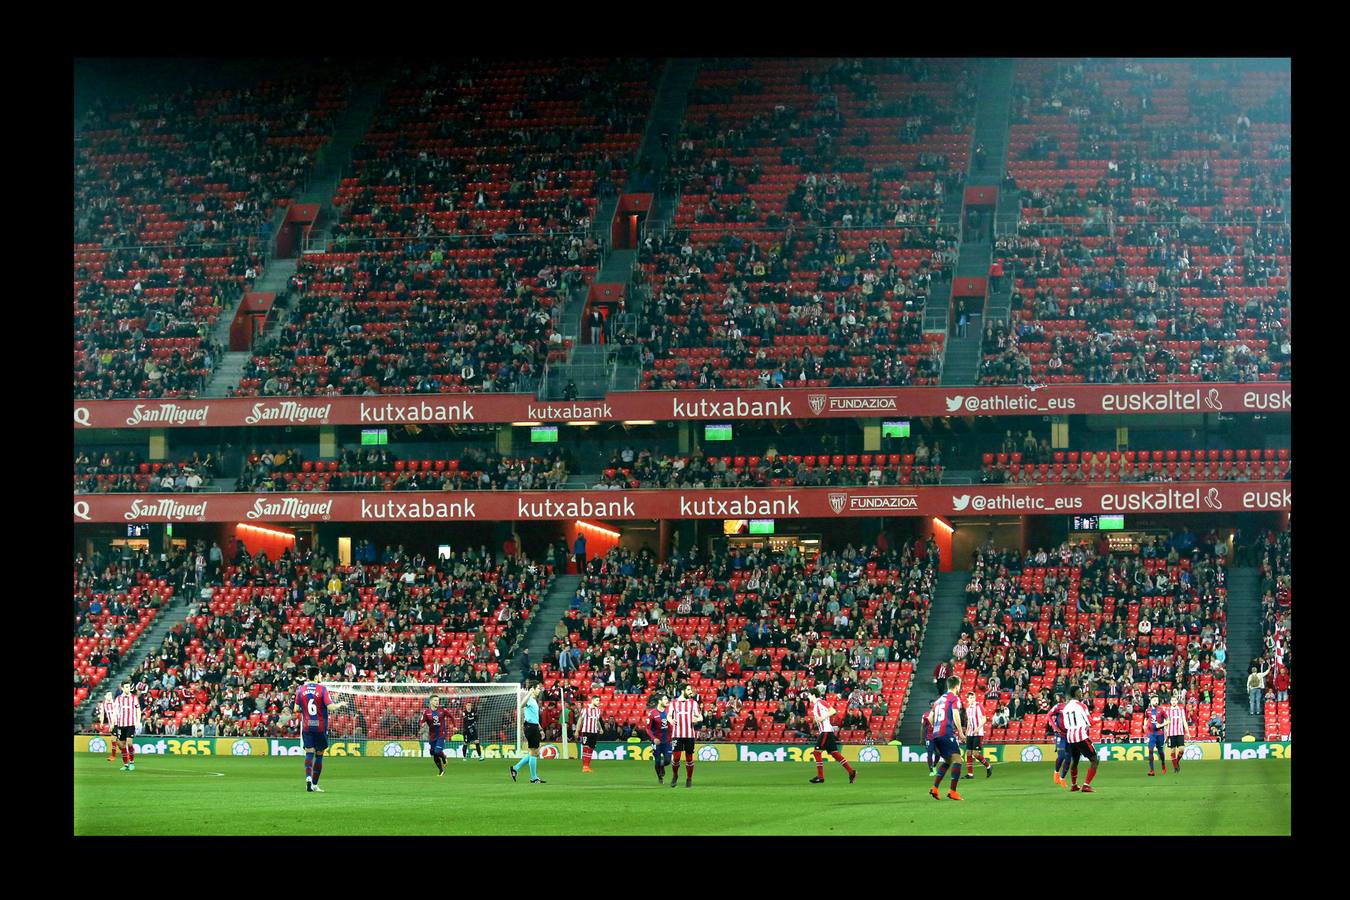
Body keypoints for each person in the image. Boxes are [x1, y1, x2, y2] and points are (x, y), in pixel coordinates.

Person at [295, 666, 345, 793]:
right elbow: (331, 707)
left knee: (309, 753)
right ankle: (314, 784)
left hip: (307, 726)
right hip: (320, 727)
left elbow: (296, 709)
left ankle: (308, 778)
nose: (321, 676)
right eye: (320, 674)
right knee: (319, 755)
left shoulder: (300, 690)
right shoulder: (322, 689)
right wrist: (340, 704)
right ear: (316, 676)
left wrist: (306, 711)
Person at [804, 689, 856, 784]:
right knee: (834, 753)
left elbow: (833, 710)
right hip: (828, 731)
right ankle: (851, 772)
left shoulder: (820, 702)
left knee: (816, 752)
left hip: (826, 731)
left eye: (809, 695)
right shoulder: (817, 704)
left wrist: (822, 718)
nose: (808, 697)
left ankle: (820, 777)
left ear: (813, 695)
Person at [928, 676, 966, 801]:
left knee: (948, 761)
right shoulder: (954, 698)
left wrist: (936, 727)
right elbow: (955, 713)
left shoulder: (938, 700)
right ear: (957, 686)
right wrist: (961, 732)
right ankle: (952, 791)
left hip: (936, 734)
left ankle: (935, 788)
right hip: (946, 733)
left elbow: (930, 718)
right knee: (958, 760)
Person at [1063, 686, 1099, 793]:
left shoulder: (1066, 707)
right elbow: (1090, 722)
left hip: (1070, 737)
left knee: (1075, 760)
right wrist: (1099, 719)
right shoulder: (1081, 705)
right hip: (1080, 736)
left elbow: (1066, 724)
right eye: (1079, 691)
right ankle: (1086, 785)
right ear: (1075, 693)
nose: (1081, 693)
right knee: (1094, 760)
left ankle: (1074, 785)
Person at [667, 684, 703, 789]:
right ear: (682, 691)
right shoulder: (673, 703)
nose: (690, 691)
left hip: (689, 735)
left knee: (689, 758)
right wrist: (670, 720)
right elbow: (669, 715)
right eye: (688, 690)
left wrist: (697, 719)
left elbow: (700, 717)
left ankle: (689, 778)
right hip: (677, 734)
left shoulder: (693, 703)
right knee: (676, 758)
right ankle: (675, 775)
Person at [510, 684, 545, 784]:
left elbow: (534, 717)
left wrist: (540, 729)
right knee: (534, 752)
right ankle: (534, 778)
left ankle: (515, 768)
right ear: (533, 688)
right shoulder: (529, 698)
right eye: (538, 688)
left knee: (535, 752)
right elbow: (521, 705)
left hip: (534, 726)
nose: (539, 690)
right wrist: (529, 693)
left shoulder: (533, 700)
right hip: (530, 727)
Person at [110, 681, 141, 771]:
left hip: (131, 724)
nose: (128, 688)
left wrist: (138, 721)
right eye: (126, 687)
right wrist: (112, 723)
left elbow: (138, 710)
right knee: (122, 745)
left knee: (129, 742)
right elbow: (115, 712)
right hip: (121, 724)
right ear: (122, 688)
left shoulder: (134, 698)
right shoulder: (118, 698)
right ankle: (126, 764)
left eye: (129, 687)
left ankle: (132, 762)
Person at [962, 692, 993, 779]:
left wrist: (978, 728)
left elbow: (984, 719)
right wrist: (966, 732)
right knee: (968, 752)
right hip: (970, 733)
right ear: (967, 699)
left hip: (978, 733)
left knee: (975, 754)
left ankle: (988, 766)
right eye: (970, 698)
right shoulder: (968, 709)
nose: (972, 699)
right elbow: (969, 721)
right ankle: (970, 774)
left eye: (973, 697)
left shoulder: (979, 706)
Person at [1046, 691, 1072, 788]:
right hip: (1060, 735)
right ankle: (1056, 772)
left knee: (1068, 759)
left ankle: (1062, 778)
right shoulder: (1058, 706)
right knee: (1061, 756)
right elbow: (1049, 715)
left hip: (1069, 735)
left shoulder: (1073, 708)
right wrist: (1054, 727)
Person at [419, 695, 449, 776]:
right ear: (431, 702)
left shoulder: (442, 710)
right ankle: (441, 770)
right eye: (435, 700)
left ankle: (443, 757)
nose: (437, 702)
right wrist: (422, 724)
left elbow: (451, 716)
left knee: (437, 751)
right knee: (433, 753)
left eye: (438, 700)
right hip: (432, 735)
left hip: (441, 734)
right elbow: (421, 721)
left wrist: (454, 725)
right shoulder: (426, 712)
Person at [647, 694, 674, 784]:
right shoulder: (652, 713)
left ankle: (662, 766)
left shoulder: (669, 712)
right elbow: (648, 729)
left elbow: (672, 725)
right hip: (657, 742)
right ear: (659, 701)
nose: (667, 701)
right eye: (665, 699)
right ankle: (660, 777)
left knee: (667, 761)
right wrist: (653, 738)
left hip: (667, 741)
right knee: (657, 761)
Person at [577, 694, 602, 773]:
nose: (598, 702)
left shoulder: (598, 710)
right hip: (586, 731)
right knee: (585, 748)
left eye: (599, 700)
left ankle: (587, 766)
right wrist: (577, 730)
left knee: (591, 749)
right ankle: (584, 766)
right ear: (592, 700)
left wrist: (600, 728)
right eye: (597, 700)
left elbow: (597, 720)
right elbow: (580, 719)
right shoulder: (585, 709)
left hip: (594, 732)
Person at [1144, 693, 1168, 776]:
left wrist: (1161, 725)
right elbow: (1146, 718)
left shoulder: (1161, 710)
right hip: (1151, 733)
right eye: (1154, 700)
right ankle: (1152, 770)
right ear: (1151, 701)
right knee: (1150, 750)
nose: (1156, 702)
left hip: (1160, 733)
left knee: (1160, 751)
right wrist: (1144, 725)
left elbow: (1168, 720)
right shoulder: (1147, 710)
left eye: (1157, 700)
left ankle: (1163, 764)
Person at [1166, 692, 1190, 773]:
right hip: (1171, 733)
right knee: (1172, 750)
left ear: (1177, 701)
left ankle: (1176, 763)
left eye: (1175, 700)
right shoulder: (1168, 711)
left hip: (1180, 732)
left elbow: (1184, 721)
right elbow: (1166, 723)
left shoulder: (1181, 710)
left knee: (1182, 749)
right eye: (1172, 700)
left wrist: (1188, 732)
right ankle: (1176, 767)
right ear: (1170, 701)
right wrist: (1165, 733)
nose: (1173, 702)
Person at [97, 690, 119, 763]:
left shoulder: (115, 703)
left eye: (111, 695)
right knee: (114, 740)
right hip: (111, 724)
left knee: (117, 741)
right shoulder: (103, 704)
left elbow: (116, 714)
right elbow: (102, 714)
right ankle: (114, 755)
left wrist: (112, 724)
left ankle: (117, 755)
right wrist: (101, 722)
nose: (110, 696)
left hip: (118, 723)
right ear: (105, 696)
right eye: (108, 695)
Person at [921, 709, 936, 776]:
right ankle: (931, 770)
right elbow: (923, 727)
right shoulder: (926, 715)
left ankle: (934, 766)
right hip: (929, 738)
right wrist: (922, 738)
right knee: (929, 754)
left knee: (938, 754)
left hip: (938, 737)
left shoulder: (941, 714)